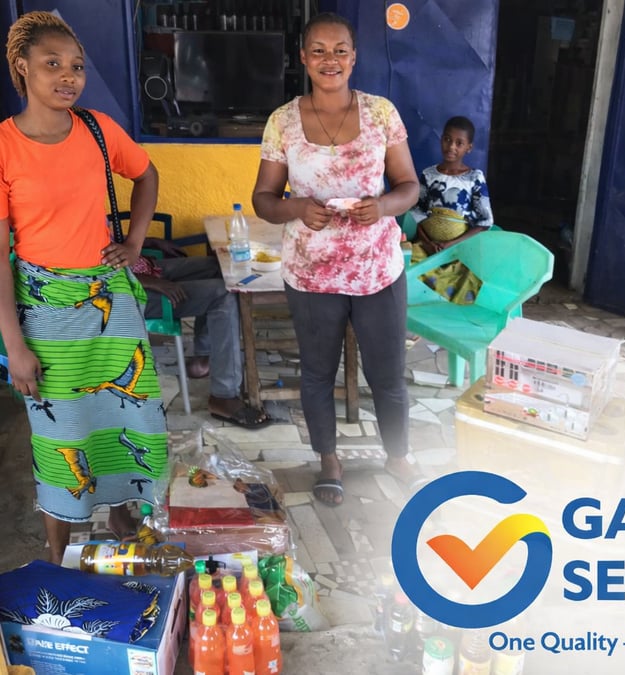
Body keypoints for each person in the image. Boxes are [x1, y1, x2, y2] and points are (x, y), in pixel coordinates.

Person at [0, 12, 167, 564]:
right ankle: (57, 556)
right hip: (45, 314)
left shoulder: (97, 130)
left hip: (109, 303)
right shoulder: (3, 146)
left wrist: (136, 241)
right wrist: (14, 347)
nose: (69, 77)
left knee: (129, 416)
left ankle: (122, 518)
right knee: (61, 436)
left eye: (76, 67)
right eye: (53, 65)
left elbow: (146, 175)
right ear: (23, 68)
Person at [251, 12, 422, 506]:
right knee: (317, 372)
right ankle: (329, 460)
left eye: (340, 49)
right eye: (319, 50)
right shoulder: (283, 121)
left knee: (387, 373)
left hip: (378, 270)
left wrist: (383, 206)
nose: (331, 60)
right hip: (311, 273)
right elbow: (264, 197)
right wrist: (296, 208)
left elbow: (409, 185)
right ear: (303, 58)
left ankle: (399, 455)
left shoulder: (382, 114)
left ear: (354, 56)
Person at [131, 240, 269, 428]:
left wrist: (147, 242)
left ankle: (204, 360)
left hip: (141, 269)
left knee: (219, 267)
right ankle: (224, 396)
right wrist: (151, 282)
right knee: (223, 294)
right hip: (126, 292)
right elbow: (85, 272)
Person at [410, 116, 494, 261]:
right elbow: (417, 213)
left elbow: (485, 222)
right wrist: (428, 244)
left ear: (469, 148)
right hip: (427, 248)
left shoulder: (474, 177)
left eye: (459, 143)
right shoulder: (428, 174)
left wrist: (452, 244)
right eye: (447, 139)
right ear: (441, 139)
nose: (451, 147)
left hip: (460, 249)